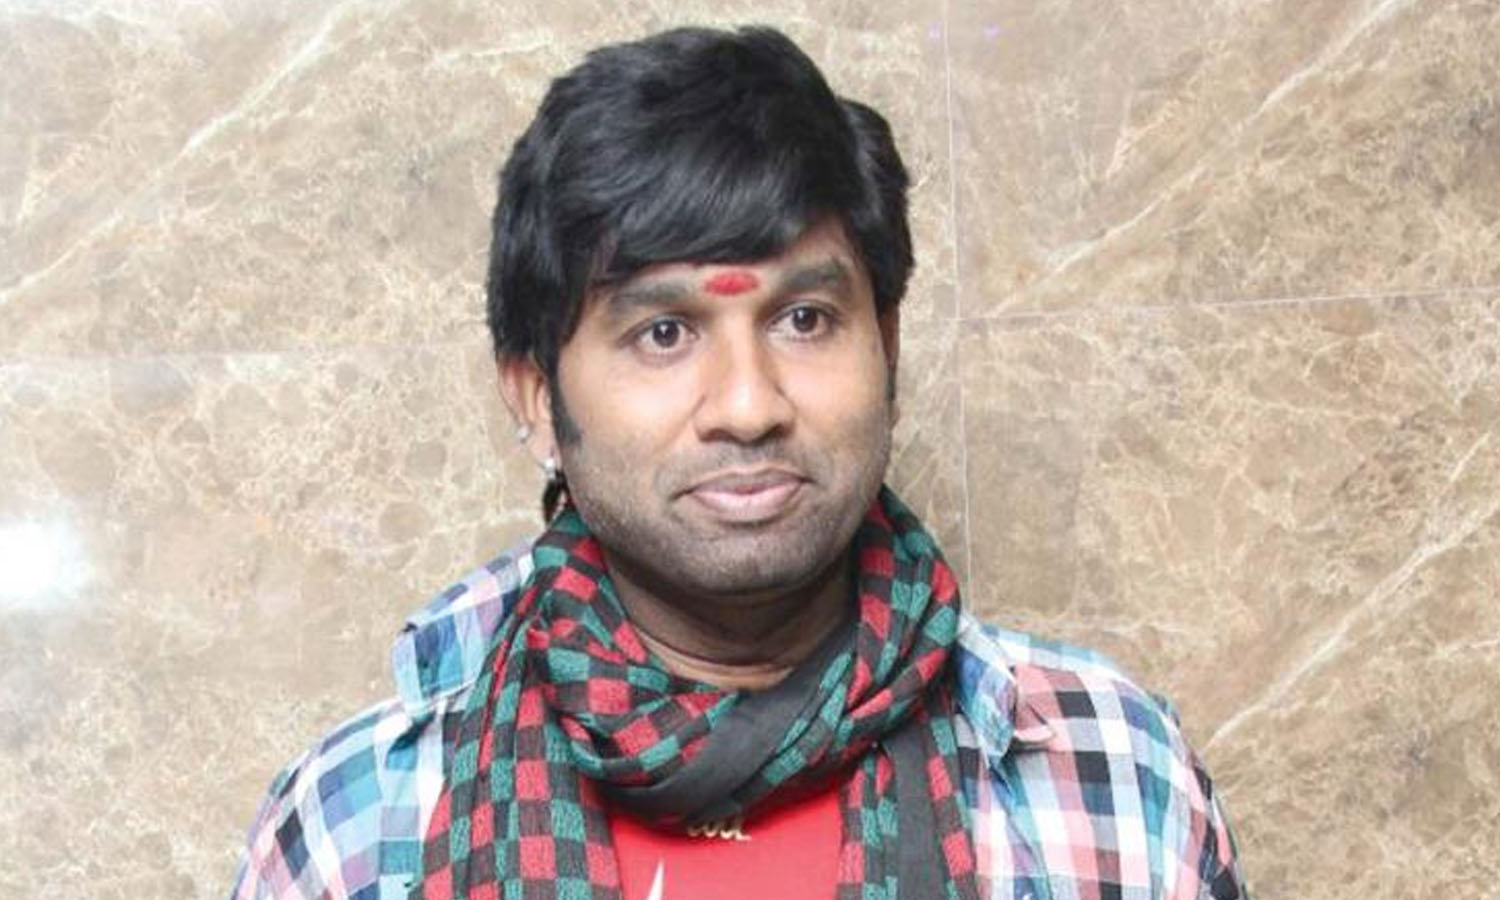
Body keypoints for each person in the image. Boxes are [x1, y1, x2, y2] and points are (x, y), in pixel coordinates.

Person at [232, 25, 1247, 900]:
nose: (750, 405)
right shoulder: (355, 828)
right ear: (538, 397)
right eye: (664, 333)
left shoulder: (1110, 773)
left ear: (887, 347)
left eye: (805, 319)